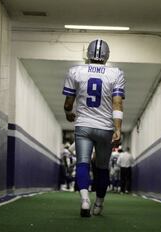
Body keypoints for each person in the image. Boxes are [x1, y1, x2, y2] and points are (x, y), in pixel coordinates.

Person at [62, 39, 125, 217]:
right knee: (102, 167)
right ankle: (98, 204)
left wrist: (68, 113)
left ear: (87, 54)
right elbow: (117, 104)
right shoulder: (116, 74)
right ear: (107, 56)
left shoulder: (75, 71)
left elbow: (68, 103)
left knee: (82, 162)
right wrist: (118, 128)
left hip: (83, 125)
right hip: (105, 127)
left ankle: (84, 201)